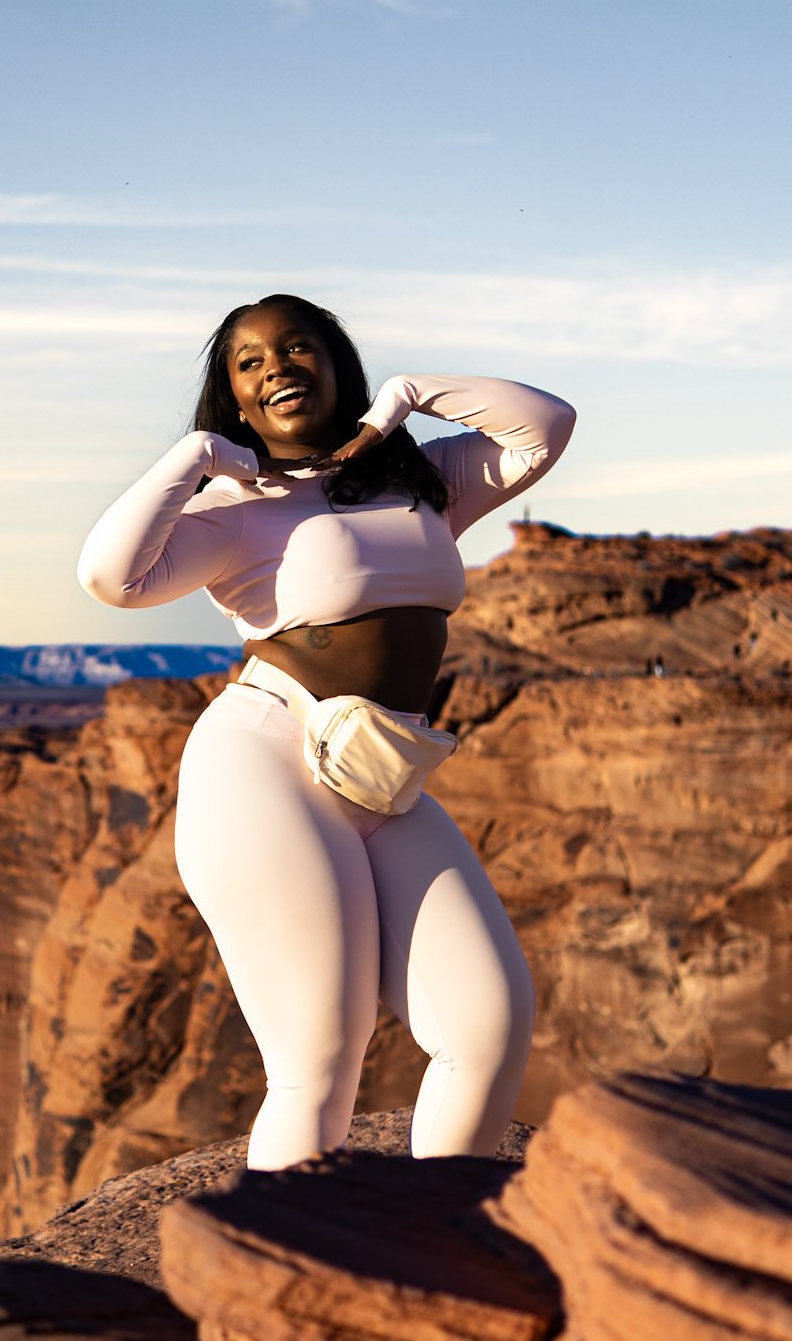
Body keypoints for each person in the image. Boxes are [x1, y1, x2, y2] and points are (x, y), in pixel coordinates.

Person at [77, 294, 575, 1168]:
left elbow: (545, 425)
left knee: (487, 1027)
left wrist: (407, 396)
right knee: (316, 1066)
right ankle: (280, 1289)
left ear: (335, 362)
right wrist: (196, 456)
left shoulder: (421, 479)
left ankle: (431, 1246)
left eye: (296, 347)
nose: (276, 367)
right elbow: (111, 580)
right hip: (266, 763)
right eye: (249, 362)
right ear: (232, 396)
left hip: (384, 771)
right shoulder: (234, 506)